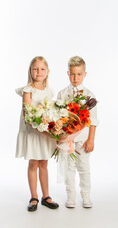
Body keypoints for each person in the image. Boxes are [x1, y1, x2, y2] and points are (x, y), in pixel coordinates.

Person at [16, 56, 59, 211]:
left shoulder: (49, 91)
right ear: (30, 71)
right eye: (35, 68)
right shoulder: (28, 90)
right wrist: (42, 129)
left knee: (44, 163)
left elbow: (51, 111)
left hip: (45, 133)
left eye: (42, 69)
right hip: (34, 132)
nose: (38, 72)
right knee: (34, 163)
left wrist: (54, 129)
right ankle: (34, 197)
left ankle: (46, 196)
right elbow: (27, 115)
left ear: (47, 72)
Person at [57, 56, 99, 208]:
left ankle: (86, 195)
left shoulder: (90, 95)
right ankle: (71, 196)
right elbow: (58, 117)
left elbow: (93, 120)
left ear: (85, 74)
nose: (75, 78)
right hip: (68, 139)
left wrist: (91, 140)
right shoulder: (62, 94)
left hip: (82, 139)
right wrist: (59, 137)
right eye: (72, 74)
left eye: (79, 74)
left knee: (84, 168)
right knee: (69, 168)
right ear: (68, 73)